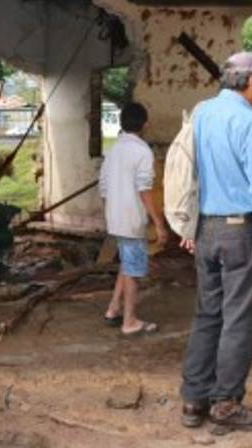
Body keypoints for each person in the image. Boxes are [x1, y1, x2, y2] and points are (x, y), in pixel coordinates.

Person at [179, 52, 252, 435]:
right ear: (251, 82)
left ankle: (194, 399)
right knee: (241, 319)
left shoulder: (202, 114)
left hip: (206, 228)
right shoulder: (249, 121)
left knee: (207, 314)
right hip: (239, 231)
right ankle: (226, 403)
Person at [100, 102, 169, 335]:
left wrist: (112, 212)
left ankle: (113, 308)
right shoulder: (142, 151)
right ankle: (129, 321)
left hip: (115, 218)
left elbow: (103, 188)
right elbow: (144, 190)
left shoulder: (113, 151)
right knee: (133, 270)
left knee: (127, 264)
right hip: (131, 220)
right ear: (145, 124)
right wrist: (159, 223)